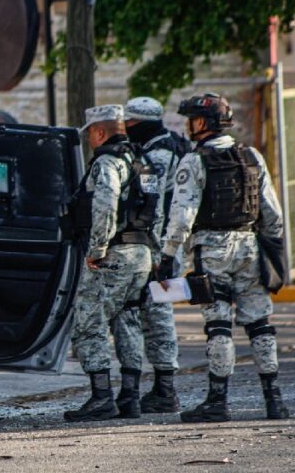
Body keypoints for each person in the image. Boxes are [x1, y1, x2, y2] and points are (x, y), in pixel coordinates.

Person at [158, 93, 289, 423]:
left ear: (203, 123)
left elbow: (182, 217)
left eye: (191, 119)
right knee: (260, 324)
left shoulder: (194, 160)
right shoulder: (252, 157)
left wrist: (167, 256)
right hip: (250, 247)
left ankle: (218, 401)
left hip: (211, 251)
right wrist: (271, 251)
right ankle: (274, 400)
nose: (188, 125)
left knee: (218, 326)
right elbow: (273, 214)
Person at [65, 105, 155, 422]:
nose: (90, 139)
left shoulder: (106, 162)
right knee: (128, 320)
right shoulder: (142, 163)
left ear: (100, 132)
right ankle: (129, 397)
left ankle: (101, 397)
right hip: (141, 253)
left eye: (90, 132)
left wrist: (97, 248)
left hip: (114, 254)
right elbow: (155, 208)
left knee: (89, 321)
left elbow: (104, 206)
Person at [110, 96, 186, 414]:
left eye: (129, 124)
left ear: (138, 124)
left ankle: (163, 390)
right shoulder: (179, 146)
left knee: (154, 315)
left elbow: (151, 205)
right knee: (157, 314)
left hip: (157, 248)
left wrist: (154, 249)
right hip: (172, 246)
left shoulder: (156, 155)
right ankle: (163, 387)